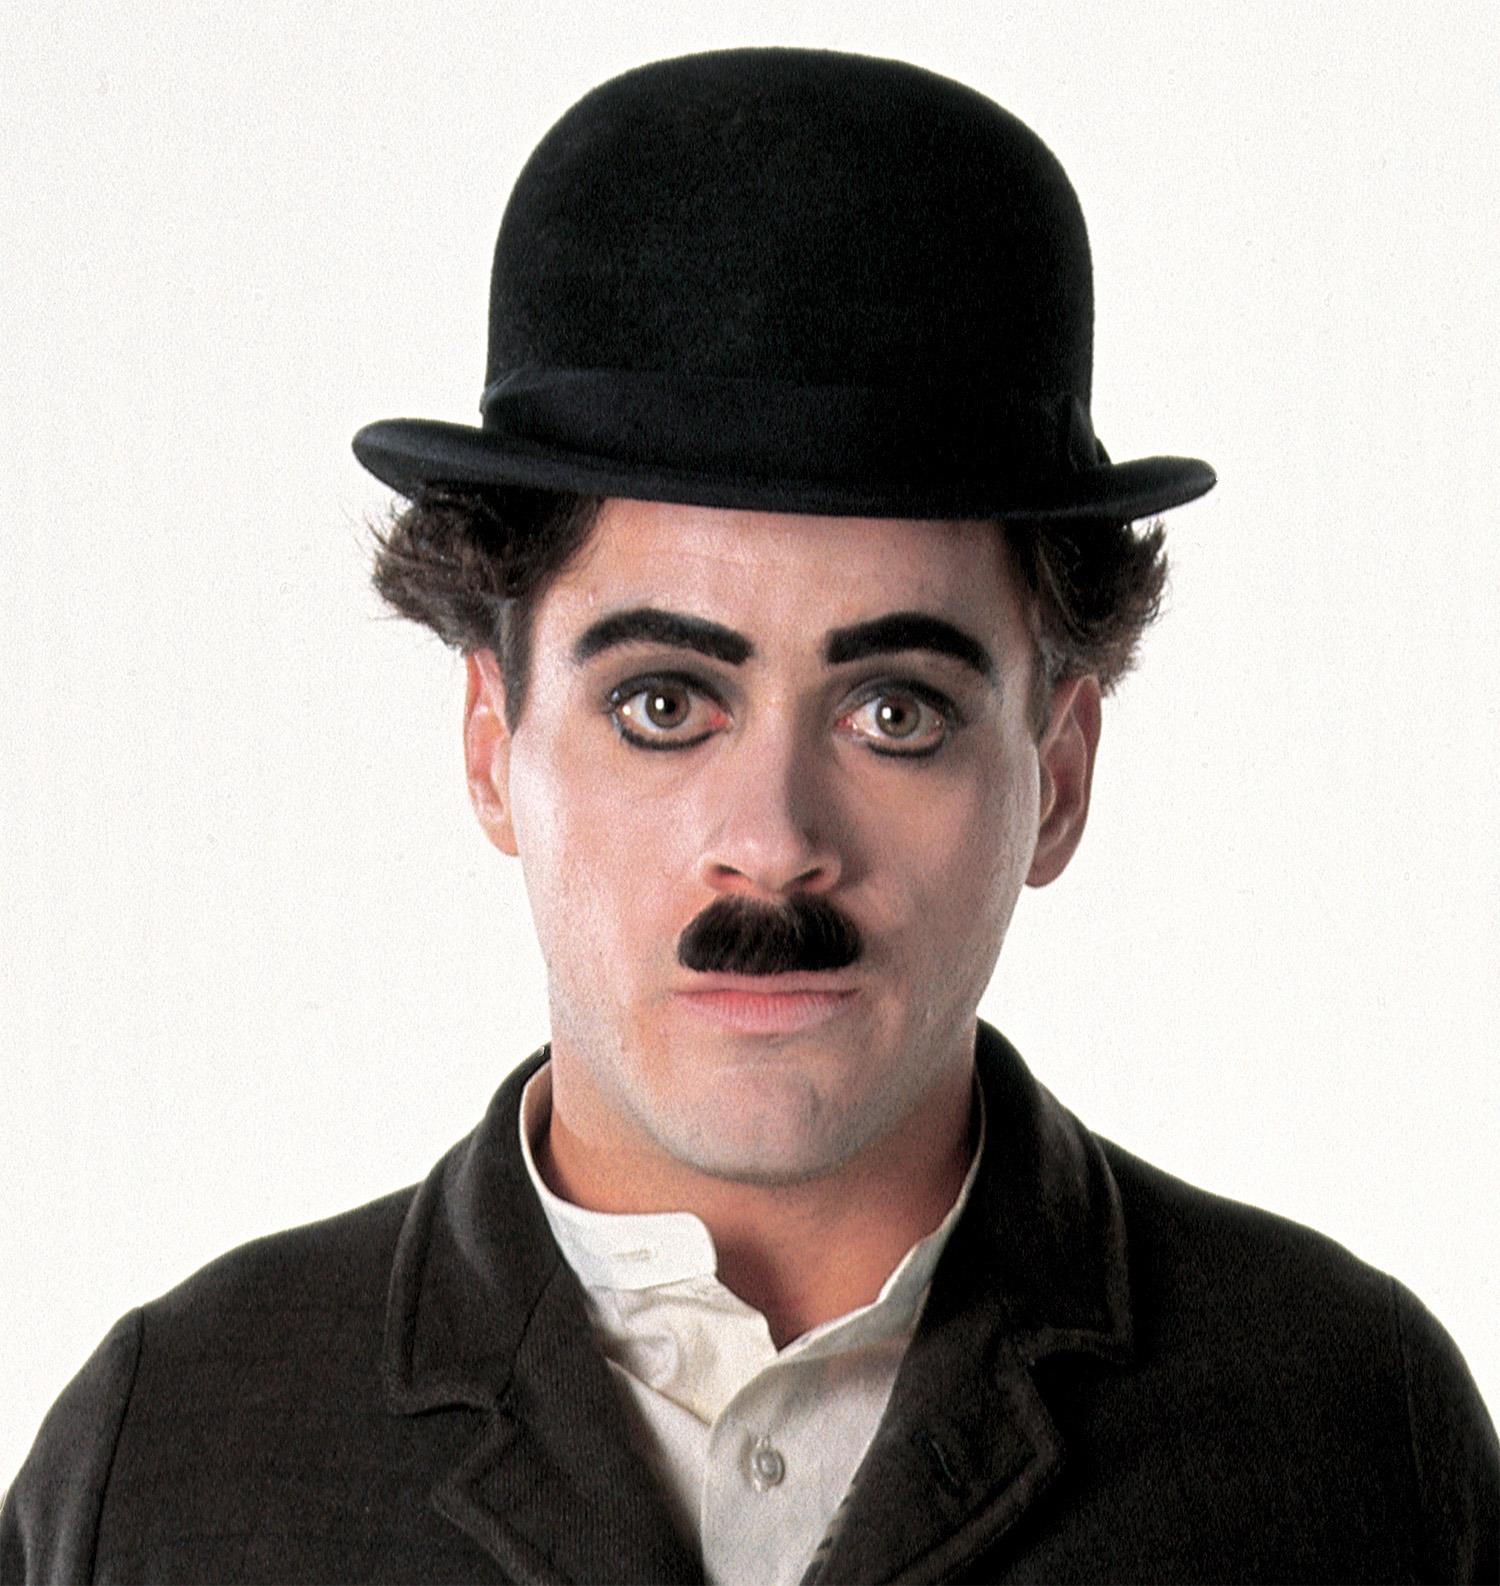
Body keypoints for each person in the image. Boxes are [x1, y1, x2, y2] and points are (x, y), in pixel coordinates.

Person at [2, 45, 1495, 1586]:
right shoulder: (169, 1464)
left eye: (894, 711)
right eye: (664, 703)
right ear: (491, 740)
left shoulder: (1350, 1439)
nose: (773, 843)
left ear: (1058, 772)